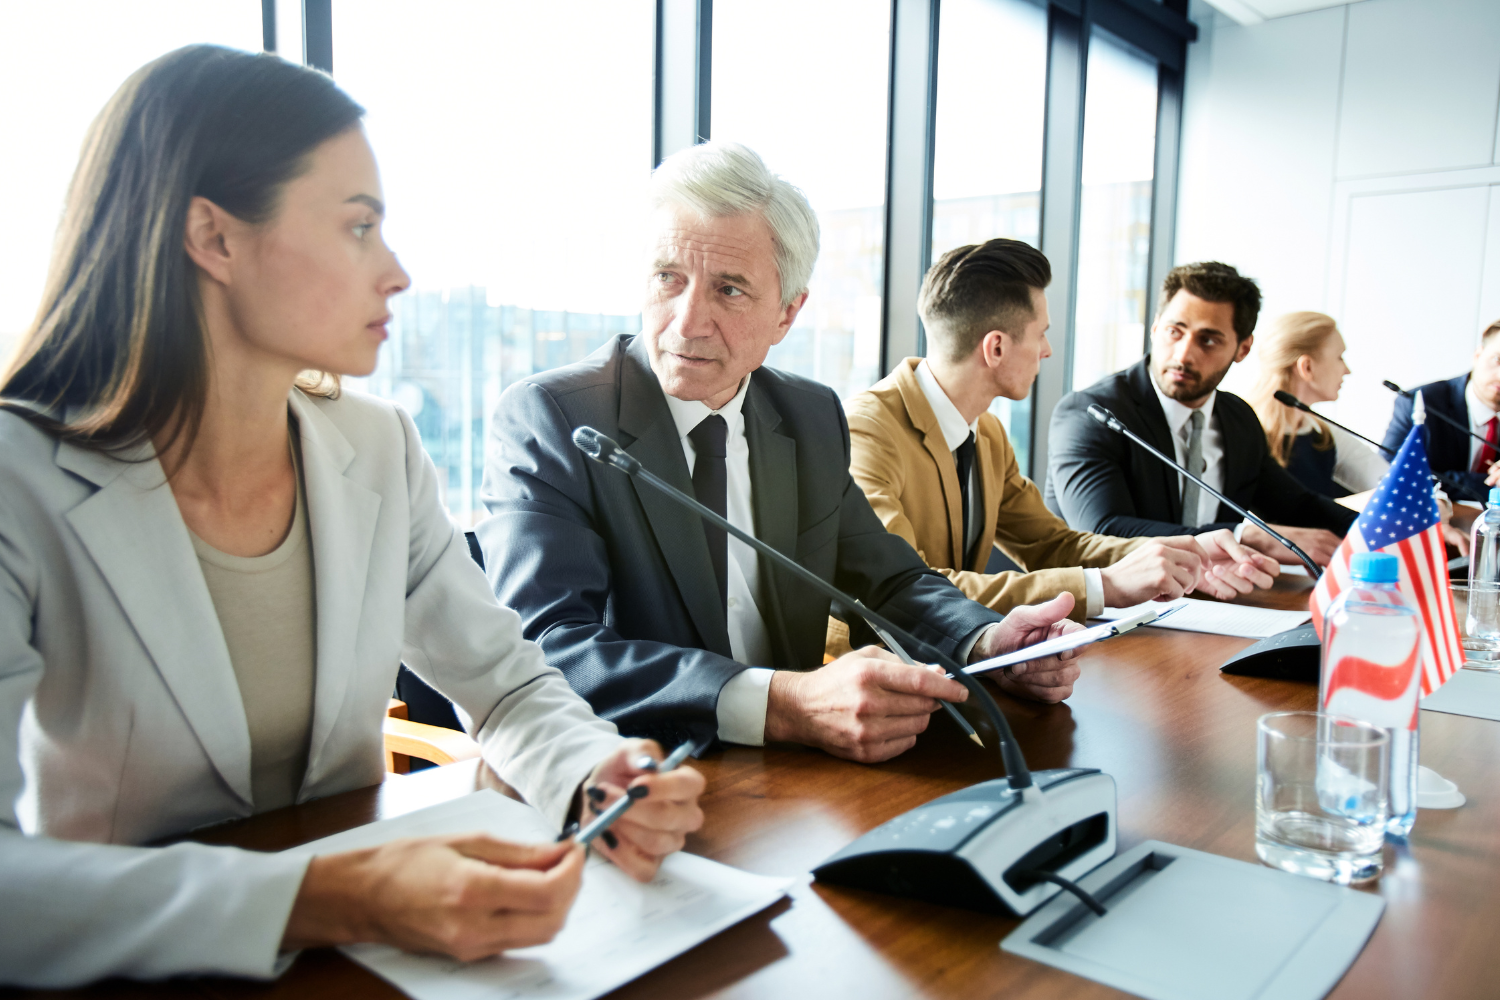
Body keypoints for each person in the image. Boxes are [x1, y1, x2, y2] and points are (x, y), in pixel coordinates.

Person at [0, 47, 704, 988]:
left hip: (373, 967)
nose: (398, 272)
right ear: (213, 238)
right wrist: (332, 897)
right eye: (359, 227)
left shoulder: (376, 448)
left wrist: (591, 773)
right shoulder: (18, 484)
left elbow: (504, 683)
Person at [479, 142, 1085, 767]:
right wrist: (782, 703)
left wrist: (987, 641)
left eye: (730, 290)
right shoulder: (555, 417)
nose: (688, 322)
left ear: (788, 313)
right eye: (668, 278)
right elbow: (549, 648)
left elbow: (888, 579)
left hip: (800, 779)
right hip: (639, 779)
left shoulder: (808, 416)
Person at [835, 239, 1277, 649]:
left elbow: (1053, 543)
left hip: (955, 660)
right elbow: (910, 587)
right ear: (996, 348)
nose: (1047, 350)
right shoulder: (866, 432)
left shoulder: (986, 432)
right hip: (869, 668)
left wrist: (1183, 551)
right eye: (1040, 333)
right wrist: (1104, 586)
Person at [1045, 262, 1357, 567]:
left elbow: (1297, 505)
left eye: (1208, 340)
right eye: (1174, 331)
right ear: (1155, 328)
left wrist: (1380, 529)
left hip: (1209, 601)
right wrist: (1246, 536)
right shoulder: (1091, 414)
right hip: (1102, 609)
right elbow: (1104, 530)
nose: (1183, 355)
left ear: (1242, 349)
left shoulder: (1238, 419)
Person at [1245, 311, 1387, 498]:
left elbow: (1391, 482)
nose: (1347, 370)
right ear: (1307, 367)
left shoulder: (1323, 433)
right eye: (1340, 357)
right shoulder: (1247, 435)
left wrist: (1438, 500)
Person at [1385, 318, 1500, 502]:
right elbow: (1389, 474)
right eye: (1497, 360)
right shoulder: (1420, 402)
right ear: (1478, 355)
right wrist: (1489, 483)